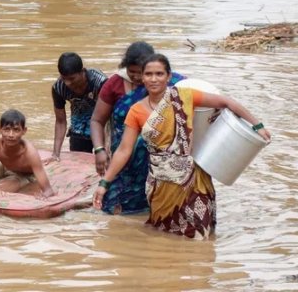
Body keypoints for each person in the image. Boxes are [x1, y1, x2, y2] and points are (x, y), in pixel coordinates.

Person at [93, 54, 271, 239]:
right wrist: (104, 183)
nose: (154, 79)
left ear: (169, 76)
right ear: (142, 77)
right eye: (149, 74)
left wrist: (257, 126)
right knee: (164, 234)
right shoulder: (136, 111)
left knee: (200, 235)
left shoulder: (185, 97)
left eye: (159, 74)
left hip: (194, 181)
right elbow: (124, 151)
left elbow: (226, 102)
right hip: (161, 185)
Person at [89, 42, 185, 214]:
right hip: (125, 159)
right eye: (130, 72)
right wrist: (99, 149)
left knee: (162, 209)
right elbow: (97, 120)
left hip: (162, 160)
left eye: (140, 73)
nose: (136, 77)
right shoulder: (114, 84)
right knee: (114, 208)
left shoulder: (176, 84)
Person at [0, 109, 55, 198]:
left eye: (16, 130)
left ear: (24, 131)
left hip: (25, 175)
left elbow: (48, 190)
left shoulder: (30, 152)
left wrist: (43, 197)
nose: (11, 135)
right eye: (6, 129)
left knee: (3, 188)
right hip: (5, 167)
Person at [51, 52, 107, 160]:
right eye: (64, 78)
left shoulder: (100, 82)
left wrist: (104, 148)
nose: (67, 83)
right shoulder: (58, 87)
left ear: (82, 71)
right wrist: (55, 153)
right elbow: (60, 121)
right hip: (79, 128)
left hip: (102, 124)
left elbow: (107, 117)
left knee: (105, 160)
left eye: (72, 79)